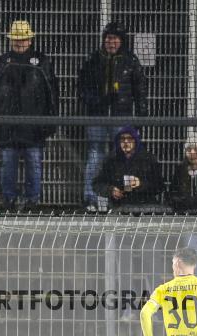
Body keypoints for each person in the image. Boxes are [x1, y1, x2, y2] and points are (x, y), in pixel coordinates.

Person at [0, 20, 59, 212]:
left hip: (33, 126)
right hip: (8, 126)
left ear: (30, 40)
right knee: (9, 165)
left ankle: (31, 201)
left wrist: (52, 120)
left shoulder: (41, 62)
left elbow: (52, 93)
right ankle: (9, 201)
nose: (19, 42)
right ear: (11, 40)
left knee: (33, 165)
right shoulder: (2, 62)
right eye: (16, 39)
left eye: (23, 39)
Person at [79, 22, 148, 212]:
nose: (111, 42)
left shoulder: (130, 61)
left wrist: (141, 115)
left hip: (122, 116)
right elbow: (82, 88)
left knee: (123, 156)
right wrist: (97, 101)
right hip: (97, 116)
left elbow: (140, 90)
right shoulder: (93, 59)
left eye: (115, 39)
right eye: (108, 38)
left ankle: (123, 198)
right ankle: (91, 198)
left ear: (122, 41)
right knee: (95, 154)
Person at [91, 126, 164, 212]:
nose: (126, 142)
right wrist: (111, 190)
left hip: (145, 206)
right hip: (119, 207)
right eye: (122, 139)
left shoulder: (148, 159)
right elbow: (97, 184)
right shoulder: (110, 160)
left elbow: (159, 186)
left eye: (129, 138)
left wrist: (140, 184)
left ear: (135, 140)